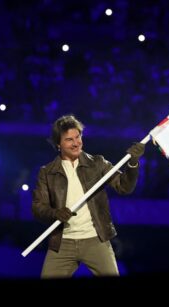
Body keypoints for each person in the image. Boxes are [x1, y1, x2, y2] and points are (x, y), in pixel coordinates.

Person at [32, 114, 144, 278]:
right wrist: (55, 213)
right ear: (58, 144)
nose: (76, 143)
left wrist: (133, 163)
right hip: (62, 243)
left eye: (78, 137)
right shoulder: (47, 172)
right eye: (69, 139)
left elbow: (124, 187)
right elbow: (38, 208)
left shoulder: (97, 163)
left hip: (96, 239)